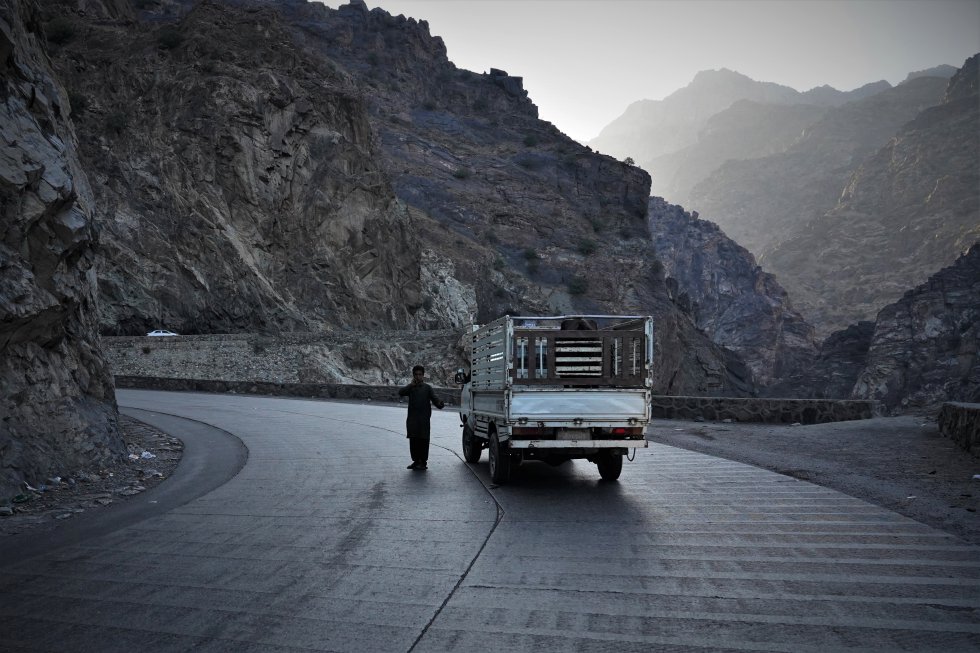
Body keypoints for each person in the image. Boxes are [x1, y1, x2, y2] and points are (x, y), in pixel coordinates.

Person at [398, 365, 445, 470]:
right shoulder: (411, 388)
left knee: (423, 440)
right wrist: (411, 385)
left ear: (423, 375)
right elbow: (401, 392)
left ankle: (423, 462)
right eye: (416, 374)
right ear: (413, 375)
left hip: (424, 420)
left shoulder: (427, 388)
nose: (418, 376)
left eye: (420, 374)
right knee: (413, 440)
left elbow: (435, 398)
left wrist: (439, 403)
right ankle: (415, 461)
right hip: (412, 420)